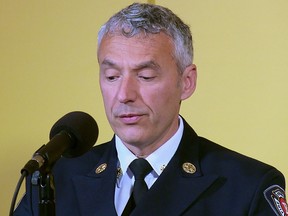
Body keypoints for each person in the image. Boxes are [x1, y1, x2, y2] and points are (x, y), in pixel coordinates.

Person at [14, 3, 287, 216]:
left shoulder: (247, 187)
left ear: (186, 82)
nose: (124, 95)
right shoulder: (58, 179)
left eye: (145, 76)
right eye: (111, 76)